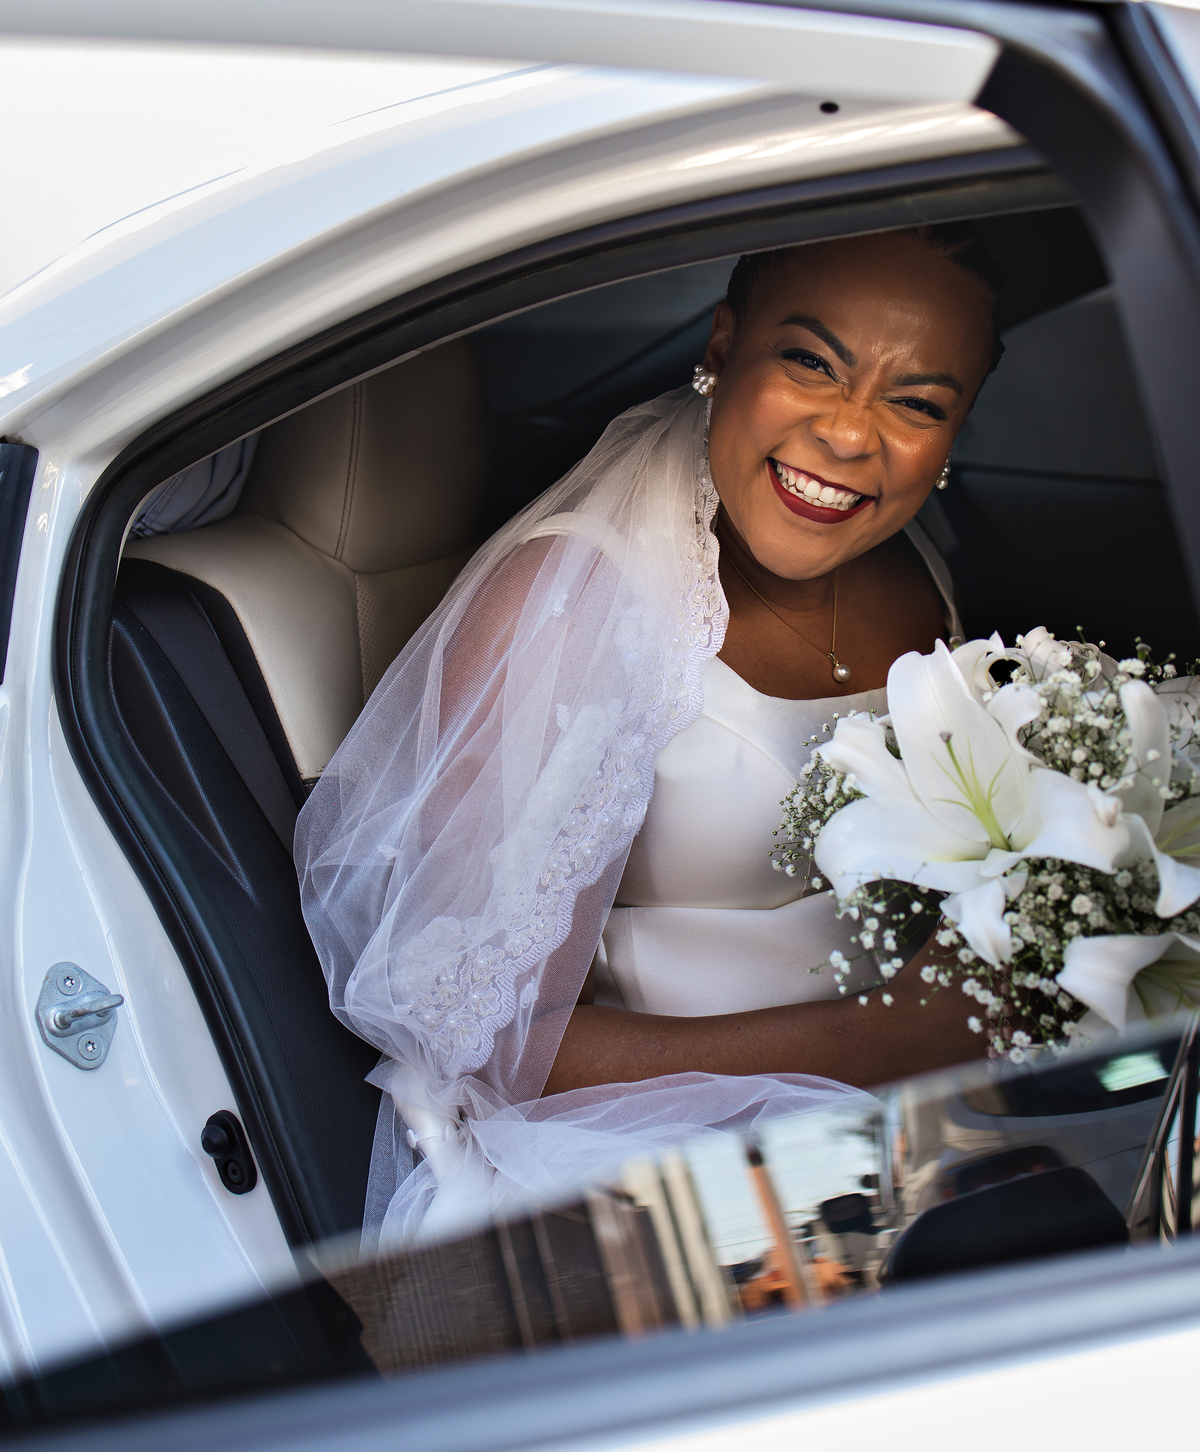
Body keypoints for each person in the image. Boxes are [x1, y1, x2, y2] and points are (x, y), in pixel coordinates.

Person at [297, 224, 998, 1247]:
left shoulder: (913, 558)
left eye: (918, 404)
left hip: (924, 1106)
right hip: (655, 1167)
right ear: (723, 346)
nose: (852, 436)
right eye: (812, 363)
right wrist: (883, 1042)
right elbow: (485, 1050)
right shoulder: (569, 607)